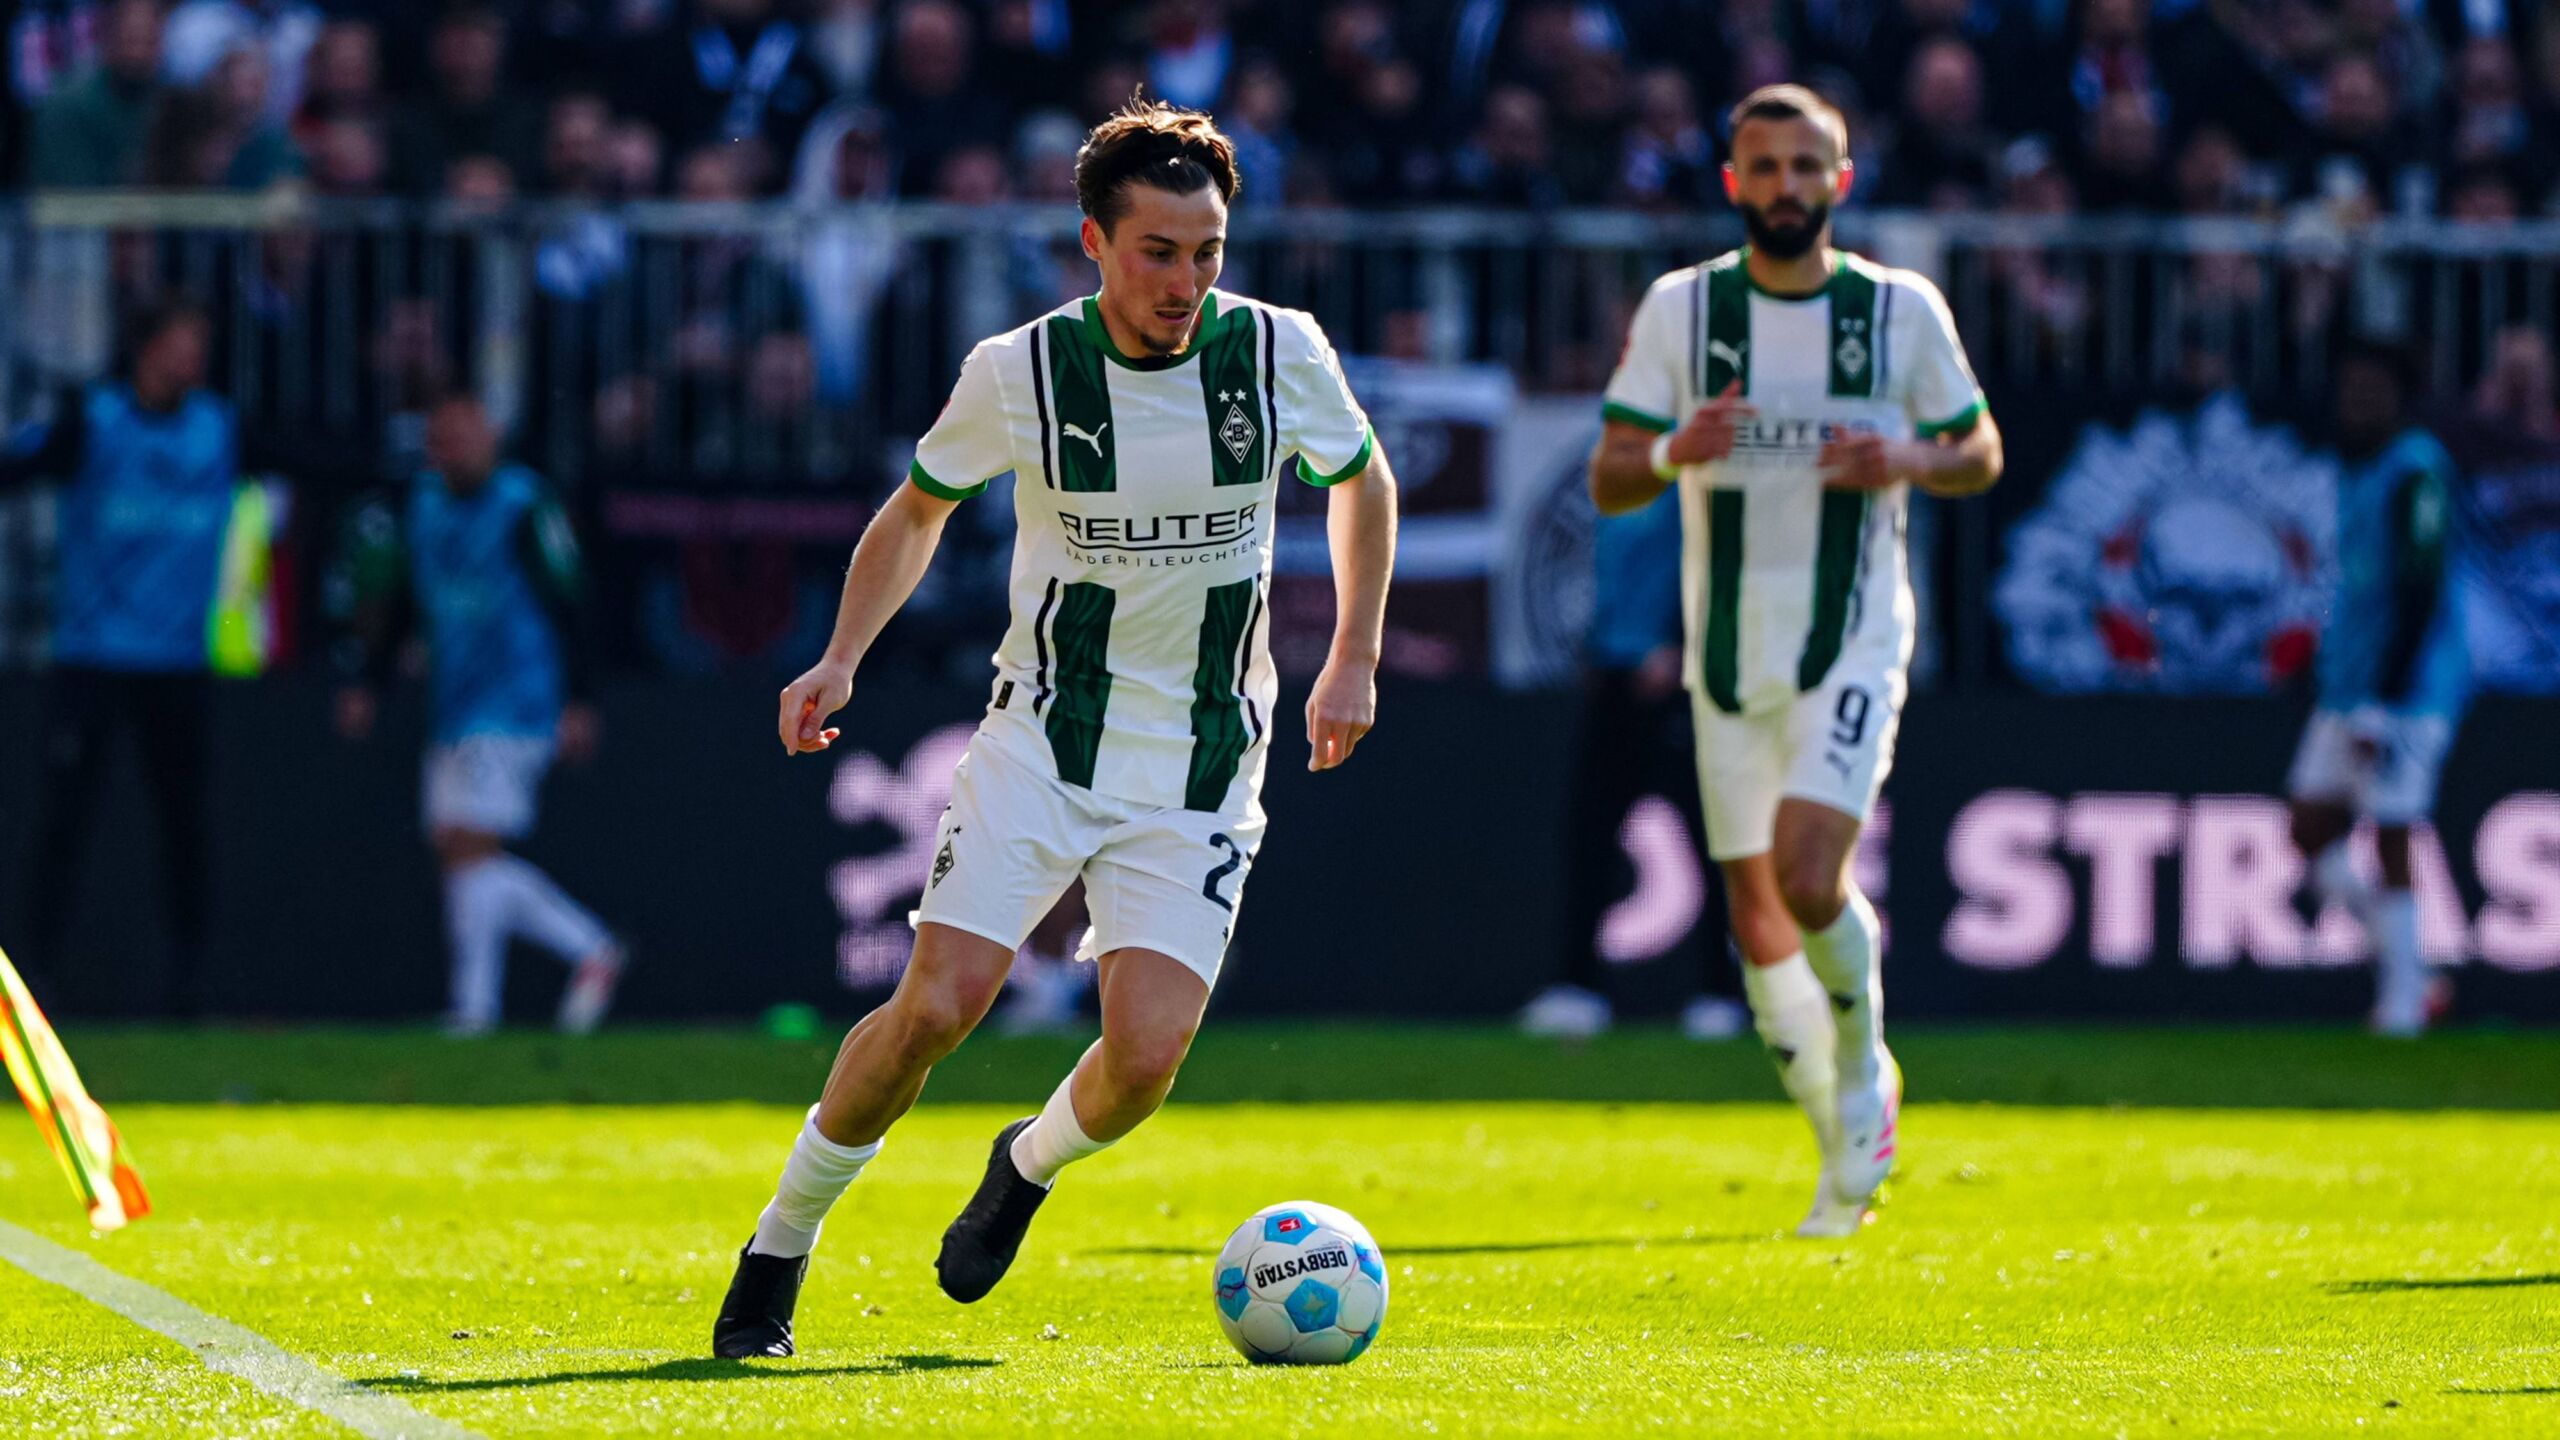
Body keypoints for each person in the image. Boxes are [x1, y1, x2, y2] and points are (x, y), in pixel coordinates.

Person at [712, 96, 1398, 1358]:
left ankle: (1022, 1166)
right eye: (1157, 252)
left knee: (1143, 1063)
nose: (1185, 282)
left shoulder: (1278, 352)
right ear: (1094, 243)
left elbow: (1363, 482)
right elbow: (916, 512)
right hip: (1044, 736)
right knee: (936, 1009)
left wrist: (1352, 654)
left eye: (1206, 252)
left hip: (1202, 760)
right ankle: (777, 1249)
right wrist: (841, 657)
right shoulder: (1017, 371)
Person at [1589, 84, 2003, 1239]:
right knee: (1756, 916)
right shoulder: (1683, 310)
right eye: (1764, 167)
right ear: (1733, 183)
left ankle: (1865, 1067)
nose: (1784, 186)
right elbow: (1610, 475)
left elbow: (1978, 449)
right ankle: (1838, 1137)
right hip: (1728, 649)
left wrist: (1908, 459)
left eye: (1804, 166)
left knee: (1810, 875)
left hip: (1853, 631)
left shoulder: (1896, 310)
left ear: (1840, 179)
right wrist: (1675, 448)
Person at [0, 296, 279, 1015]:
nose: (193, 361)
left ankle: (189, 984)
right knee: (63, 824)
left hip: (176, 667)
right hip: (92, 660)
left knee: (185, 828)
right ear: (147, 349)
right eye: (182, 345)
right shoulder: (92, 424)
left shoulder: (220, 429)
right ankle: (35, 979)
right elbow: (18, 470)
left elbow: (316, 458)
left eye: (200, 347)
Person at [331, 393, 624, 1038]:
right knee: (456, 848)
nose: (454, 453)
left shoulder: (525, 505)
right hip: (453, 705)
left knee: (470, 844)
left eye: (465, 438)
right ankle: (536, 979)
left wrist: (581, 699)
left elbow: (571, 599)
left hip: (518, 702)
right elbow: (404, 601)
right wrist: (370, 683)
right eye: (442, 442)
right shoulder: (423, 508)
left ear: (492, 438)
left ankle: (552, 967)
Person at [1517, 485, 1746, 1041]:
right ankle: (1577, 988)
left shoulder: (1694, 485)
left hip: (1678, 684)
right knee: (1589, 835)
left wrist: (1681, 644)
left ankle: (1721, 993)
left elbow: (1718, 569)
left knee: (1712, 841)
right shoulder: (1616, 488)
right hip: (1614, 678)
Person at [2286, 338, 2467, 1038]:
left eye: (2372, 390)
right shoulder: (2355, 468)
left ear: (2400, 398)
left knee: (2392, 831)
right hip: (2349, 684)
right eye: (2350, 388)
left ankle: (2401, 1007)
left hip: (2409, 691)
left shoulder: (2417, 470)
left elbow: (2421, 588)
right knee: (2308, 828)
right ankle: (2416, 971)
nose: (2358, 402)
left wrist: (2385, 705)